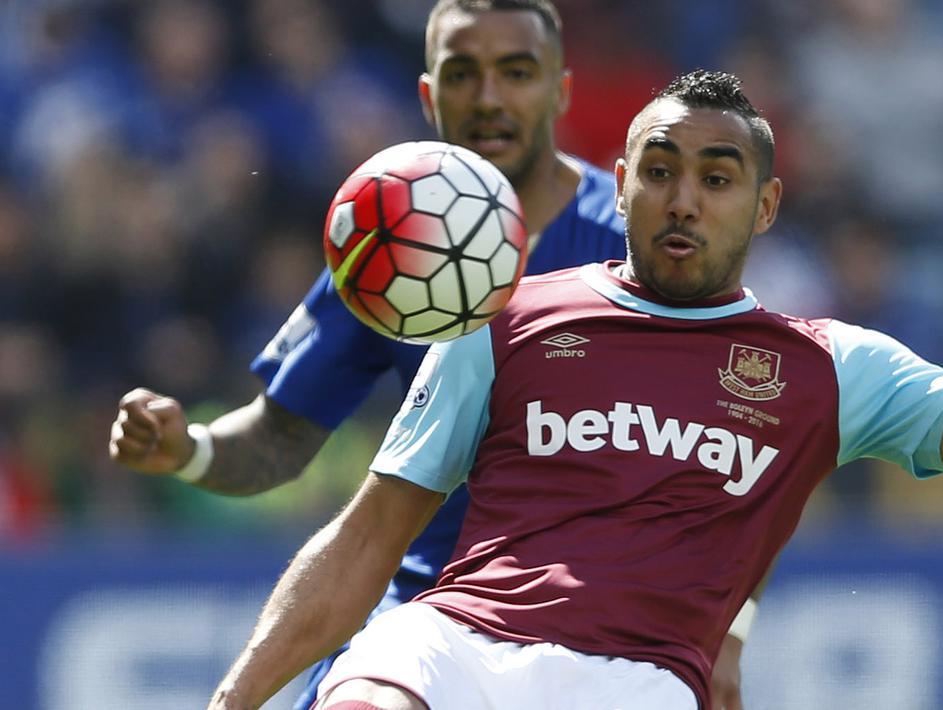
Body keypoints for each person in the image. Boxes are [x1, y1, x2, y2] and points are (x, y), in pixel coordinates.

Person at [205, 68, 943, 710]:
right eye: (658, 169)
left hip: (637, 683)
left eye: (716, 174)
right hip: (451, 641)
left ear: (767, 203)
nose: (682, 197)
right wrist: (234, 698)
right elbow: (364, 539)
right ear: (625, 177)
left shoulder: (832, 365)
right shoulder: (502, 316)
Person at [105, 3, 756, 709]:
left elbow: (736, 460)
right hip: (423, 614)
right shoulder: (384, 240)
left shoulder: (642, 246)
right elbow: (280, 436)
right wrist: (189, 449)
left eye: (515, 72)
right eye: (462, 73)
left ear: (559, 90)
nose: (489, 97)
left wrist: (725, 632)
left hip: (601, 631)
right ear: (427, 95)